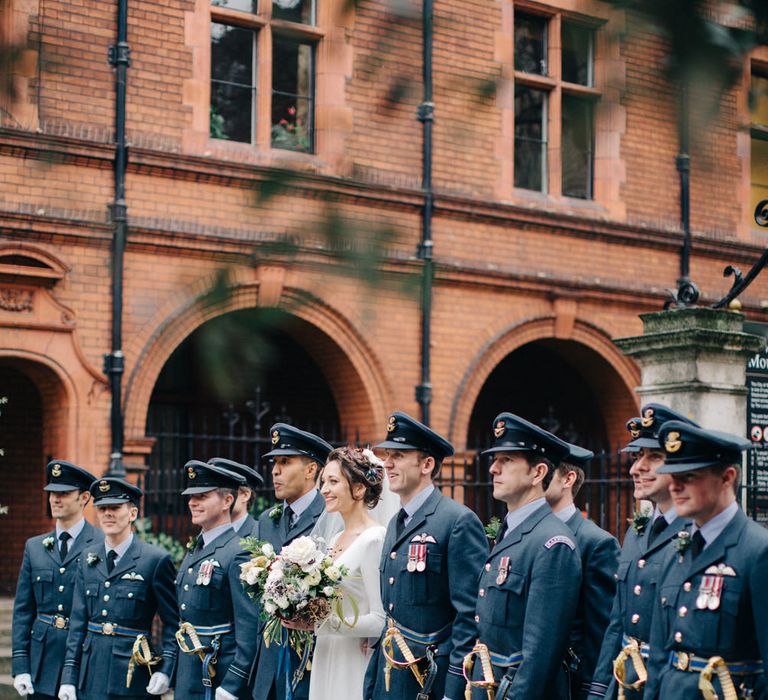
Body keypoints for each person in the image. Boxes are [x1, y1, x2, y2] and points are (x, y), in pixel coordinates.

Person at [364, 411, 488, 700]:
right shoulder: (397, 522)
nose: (388, 463)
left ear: (427, 464)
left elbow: (469, 616)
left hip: (431, 680)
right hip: (391, 676)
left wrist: (454, 691)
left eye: (399, 454)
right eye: (387, 454)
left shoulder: (456, 521)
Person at [643, 421, 768, 699]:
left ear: (727, 477)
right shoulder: (677, 549)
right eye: (672, 477)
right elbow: (660, 654)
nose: (674, 487)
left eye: (687, 477)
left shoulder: (757, 551)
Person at [466, 413, 581, 700]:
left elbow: (539, 656)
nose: (493, 468)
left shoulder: (553, 543)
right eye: (495, 460)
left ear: (538, 473)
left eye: (506, 460)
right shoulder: (512, 531)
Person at [588, 404, 699, 700]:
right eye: (638, 457)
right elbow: (616, 623)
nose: (637, 468)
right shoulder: (638, 532)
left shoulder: (698, 534)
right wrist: (599, 691)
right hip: (625, 684)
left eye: (654, 457)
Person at [58, 478, 178, 700]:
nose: (107, 514)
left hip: (132, 675)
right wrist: (68, 676)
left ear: (132, 514)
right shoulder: (87, 558)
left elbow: (173, 623)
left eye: (115, 507)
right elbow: (77, 623)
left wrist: (165, 669)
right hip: (90, 673)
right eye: (102, 508)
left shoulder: (154, 560)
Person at [250, 424, 333, 700]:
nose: (275, 471)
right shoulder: (267, 521)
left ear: (311, 470)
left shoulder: (331, 515)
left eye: (285, 462)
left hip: (310, 660)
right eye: (274, 463)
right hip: (270, 664)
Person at [11, 460, 102, 700]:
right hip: (42, 661)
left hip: (84, 659)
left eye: (64, 493)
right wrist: (20, 664)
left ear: (84, 498)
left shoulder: (102, 545)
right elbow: (23, 610)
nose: (55, 499)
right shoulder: (35, 547)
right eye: (52, 493)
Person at [174, 461, 262, 700]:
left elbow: (248, 626)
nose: (192, 502)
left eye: (202, 496)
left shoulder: (239, 551)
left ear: (227, 501)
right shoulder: (196, 548)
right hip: (189, 672)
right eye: (191, 496)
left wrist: (234, 681)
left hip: (217, 675)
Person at [308, 447, 387, 700]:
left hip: (354, 659)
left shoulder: (374, 539)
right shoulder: (333, 539)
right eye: (323, 482)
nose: (324, 490)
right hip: (326, 652)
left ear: (360, 488)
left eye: (333, 481)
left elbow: (378, 619)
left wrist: (320, 624)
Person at [545, 443, 620, 700]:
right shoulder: (525, 534)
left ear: (568, 478)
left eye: (546, 470)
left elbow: (600, 632)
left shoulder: (596, 542)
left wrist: (594, 693)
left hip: (569, 684)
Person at [207, 457, 264, 537]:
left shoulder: (260, 535)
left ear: (245, 495)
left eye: (222, 489)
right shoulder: (206, 534)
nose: (215, 496)